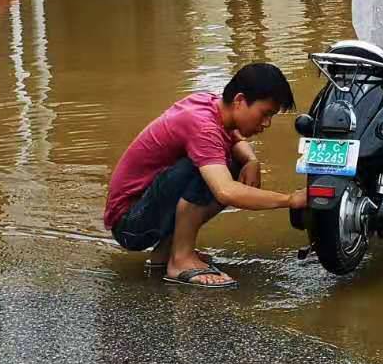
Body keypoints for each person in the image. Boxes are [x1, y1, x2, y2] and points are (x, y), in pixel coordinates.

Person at [104, 63, 304, 288]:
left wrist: (251, 160)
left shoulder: (209, 104)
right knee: (206, 169)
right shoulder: (203, 127)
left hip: (141, 210)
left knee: (225, 161)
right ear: (239, 101)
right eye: (265, 114)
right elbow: (225, 191)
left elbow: (234, 136)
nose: (266, 123)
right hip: (131, 225)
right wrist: (290, 200)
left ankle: (166, 253)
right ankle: (180, 260)